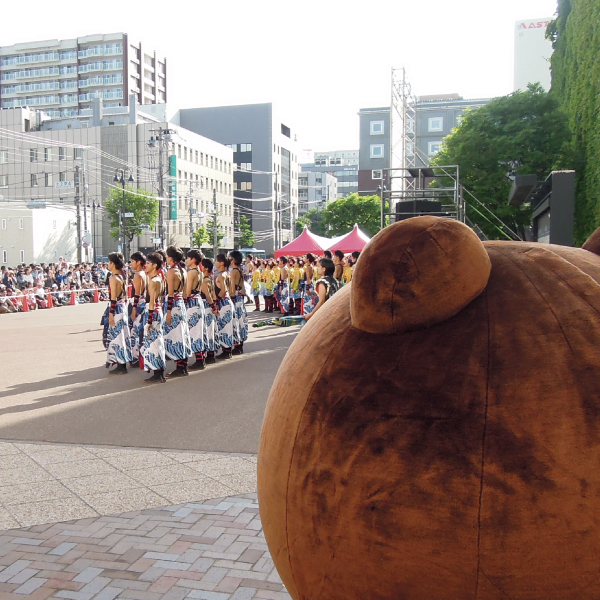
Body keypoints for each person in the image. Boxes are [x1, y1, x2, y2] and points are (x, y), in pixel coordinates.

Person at [163, 246, 192, 377]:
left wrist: (168, 311)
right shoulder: (183, 271)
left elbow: (170, 294)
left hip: (174, 304)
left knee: (175, 336)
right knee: (182, 334)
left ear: (170, 257)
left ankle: (180, 367)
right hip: (181, 304)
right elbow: (185, 293)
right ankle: (183, 365)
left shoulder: (172, 271)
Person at [141, 252, 167, 383]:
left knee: (153, 342)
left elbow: (152, 302)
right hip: (157, 310)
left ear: (155, 265)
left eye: (148, 263)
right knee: (157, 341)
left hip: (153, 311)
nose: (146, 265)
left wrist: (149, 320)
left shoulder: (154, 281)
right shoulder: (158, 279)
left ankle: (158, 373)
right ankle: (159, 371)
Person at [105, 252, 132, 374]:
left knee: (117, 336)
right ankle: (123, 362)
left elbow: (113, 298)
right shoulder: (122, 276)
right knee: (123, 334)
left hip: (116, 308)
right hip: (122, 307)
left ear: (112, 263)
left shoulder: (113, 278)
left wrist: (111, 313)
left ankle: (121, 365)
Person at [186, 249, 208, 371]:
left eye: (188, 258)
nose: (186, 260)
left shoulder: (191, 272)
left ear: (193, 259)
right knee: (199, 330)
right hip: (199, 301)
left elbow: (188, 291)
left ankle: (199, 360)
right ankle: (201, 358)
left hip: (192, 302)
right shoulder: (199, 271)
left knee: (194, 332)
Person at [304, 257, 340, 322]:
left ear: (324, 269)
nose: (317, 268)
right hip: (333, 311)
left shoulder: (322, 282)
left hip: (323, 313)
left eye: (319, 266)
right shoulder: (335, 281)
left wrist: (311, 314)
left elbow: (321, 301)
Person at [213, 253, 235, 360]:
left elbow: (224, 290)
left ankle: (226, 351)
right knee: (227, 326)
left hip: (223, 302)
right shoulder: (228, 273)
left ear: (222, 263)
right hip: (228, 301)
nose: (215, 263)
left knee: (224, 327)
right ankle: (227, 350)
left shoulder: (221, 275)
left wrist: (216, 301)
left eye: (217, 261)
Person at [129, 252, 148, 369]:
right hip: (144, 304)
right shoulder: (145, 273)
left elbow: (137, 294)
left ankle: (137, 357)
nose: (131, 264)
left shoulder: (138, 275)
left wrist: (134, 308)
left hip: (139, 304)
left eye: (132, 261)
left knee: (135, 333)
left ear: (138, 262)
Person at [229, 250, 249, 355]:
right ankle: (240, 344)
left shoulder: (233, 271)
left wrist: (230, 297)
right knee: (241, 321)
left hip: (235, 298)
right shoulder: (240, 269)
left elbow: (232, 288)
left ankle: (237, 345)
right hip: (240, 298)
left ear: (233, 259)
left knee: (235, 321)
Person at [200, 258, 217, 364]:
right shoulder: (210, 278)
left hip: (206, 306)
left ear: (206, 268)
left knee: (207, 330)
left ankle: (209, 355)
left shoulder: (204, 280)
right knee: (210, 330)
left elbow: (208, 295)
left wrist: (212, 306)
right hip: (210, 306)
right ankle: (211, 354)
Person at [302, 253, 319, 317]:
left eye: (306, 257)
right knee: (311, 301)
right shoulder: (312, 266)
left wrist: (307, 288)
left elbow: (308, 278)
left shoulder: (308, 267)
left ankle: (307, 316)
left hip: (308, 284)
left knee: (308, 302)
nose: (304, 259)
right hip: (311, 284)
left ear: (308, 259)